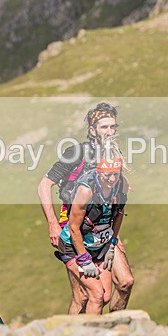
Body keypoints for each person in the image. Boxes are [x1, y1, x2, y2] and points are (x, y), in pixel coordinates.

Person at [37, 102, 134, 313]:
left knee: (124, 282)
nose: (110, 132)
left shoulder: (114, 153)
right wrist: (53, 224)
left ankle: (113, 329)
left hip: (103, 227)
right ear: (92, 130)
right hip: (73, 224)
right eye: (104, 127)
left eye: (113, 127)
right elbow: (44, 185)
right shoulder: (77, 153)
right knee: (85, 295)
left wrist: (114, 236)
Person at [55, 151, 129, 315]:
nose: (111, 180)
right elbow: (74, 227)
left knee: (105, 297)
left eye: (115, 175)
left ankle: (80, 330)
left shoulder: (121, 184)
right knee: (95, 294)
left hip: (100, 245)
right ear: (98, 171)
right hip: (73, 246)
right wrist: (84, 259)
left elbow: (119, 214)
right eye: (107, 175)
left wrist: (112, 243)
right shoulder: (86, 191)